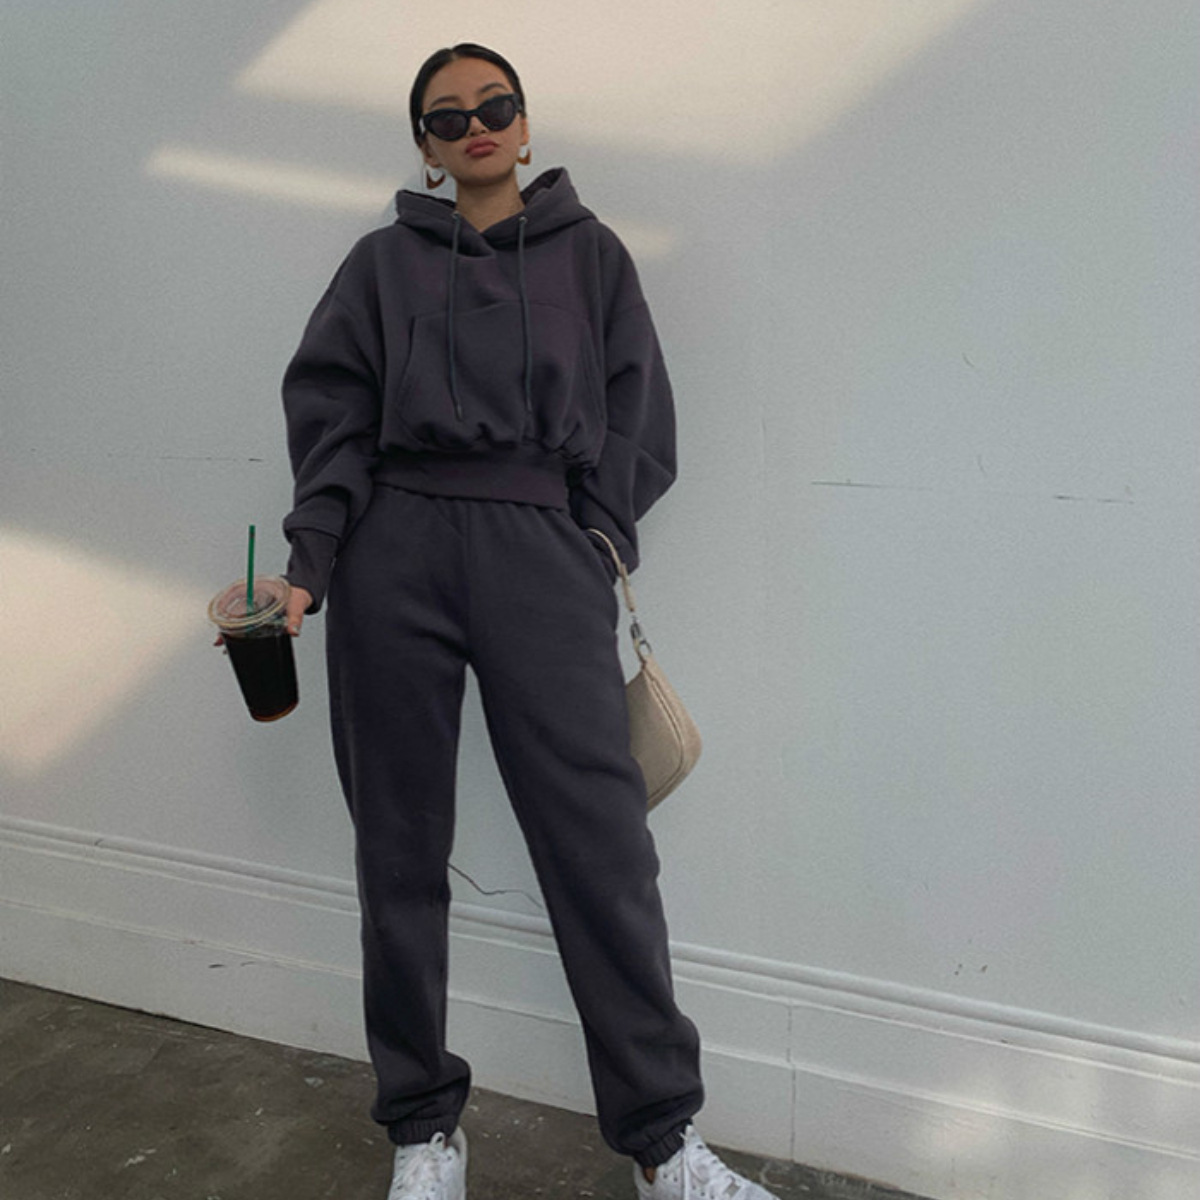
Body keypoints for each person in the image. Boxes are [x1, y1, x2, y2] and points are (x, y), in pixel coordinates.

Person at [278, 42, 780, 1200]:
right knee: (398, 850)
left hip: (538, 549)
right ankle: (423, 1131)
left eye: (495, 105)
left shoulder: (592, 257)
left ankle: (663, 1142)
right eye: (448, 117)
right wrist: (310, 565)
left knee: (603, 849)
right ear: (425, 146)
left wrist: (591, 537)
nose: (476, 126)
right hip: (394, 550)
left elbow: (639, 413)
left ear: (526, 120)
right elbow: (332, 417)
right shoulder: (380, 266)